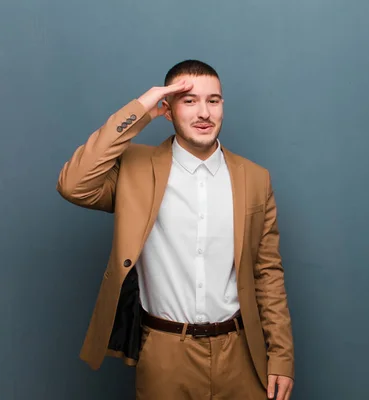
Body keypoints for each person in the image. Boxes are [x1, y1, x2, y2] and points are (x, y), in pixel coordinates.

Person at [57, 59, 294, 400]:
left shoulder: (255, 179)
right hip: (165, 355)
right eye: (189, 100)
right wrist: (140, 109)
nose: (204, 113)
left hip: (241, 353)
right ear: (167, 110)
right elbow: (73, 185)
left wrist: (281, 358)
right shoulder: (135, 170)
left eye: (213, 100)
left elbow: (268, 273)